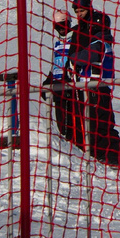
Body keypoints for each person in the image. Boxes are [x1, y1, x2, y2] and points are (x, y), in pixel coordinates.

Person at [67, 0, 120, 167]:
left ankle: (113, 155)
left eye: (82, 11)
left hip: (99, 81)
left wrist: (76, 58)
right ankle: (96, 153)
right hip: (84, 82)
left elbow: (91, 53)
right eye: (77, 11)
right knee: (88, 120)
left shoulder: (99, 31)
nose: (79, 14)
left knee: (102, 119)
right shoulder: (79, 31)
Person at [43, 9, 79, 144]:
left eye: (63, 26)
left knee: (71, 123)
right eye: (58, 27)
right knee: (61, 122)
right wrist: (49, 79)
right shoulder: (58, 42)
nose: (61, 30)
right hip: (58, 86)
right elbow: (56, 63)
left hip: (70, 85)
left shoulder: (74, 38)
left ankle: (76, 147)